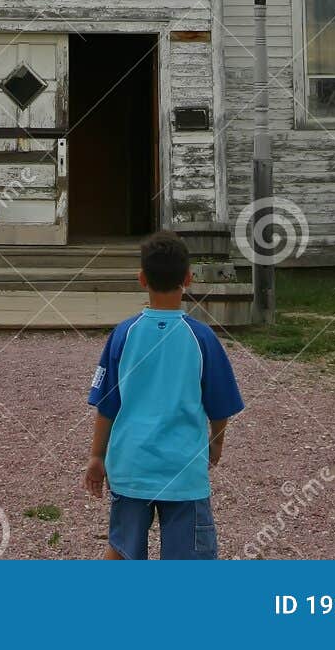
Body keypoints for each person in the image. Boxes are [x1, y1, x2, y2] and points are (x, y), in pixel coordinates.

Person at [83, 230, 244, 560]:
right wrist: (216, 443)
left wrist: (97, 456)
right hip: (183, 469)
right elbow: (220, 405)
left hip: (130, 466)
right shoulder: (203, 338)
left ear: (142, 279)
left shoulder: (123, 335)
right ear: (188, 278)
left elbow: (106, 405)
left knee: (122, 549)